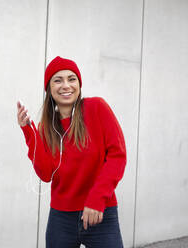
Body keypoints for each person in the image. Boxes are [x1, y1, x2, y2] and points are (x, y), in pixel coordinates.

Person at [16, 56, 126, 248]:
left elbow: (118, 156)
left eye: (71, 79)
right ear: (49, 89)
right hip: (61, 219)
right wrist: (28, 131)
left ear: (79, 85)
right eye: (58, 80)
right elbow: (46, 173)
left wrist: (96, 199)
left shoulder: (97, 108)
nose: (66, 85)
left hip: (100, 214)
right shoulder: (45, 127)